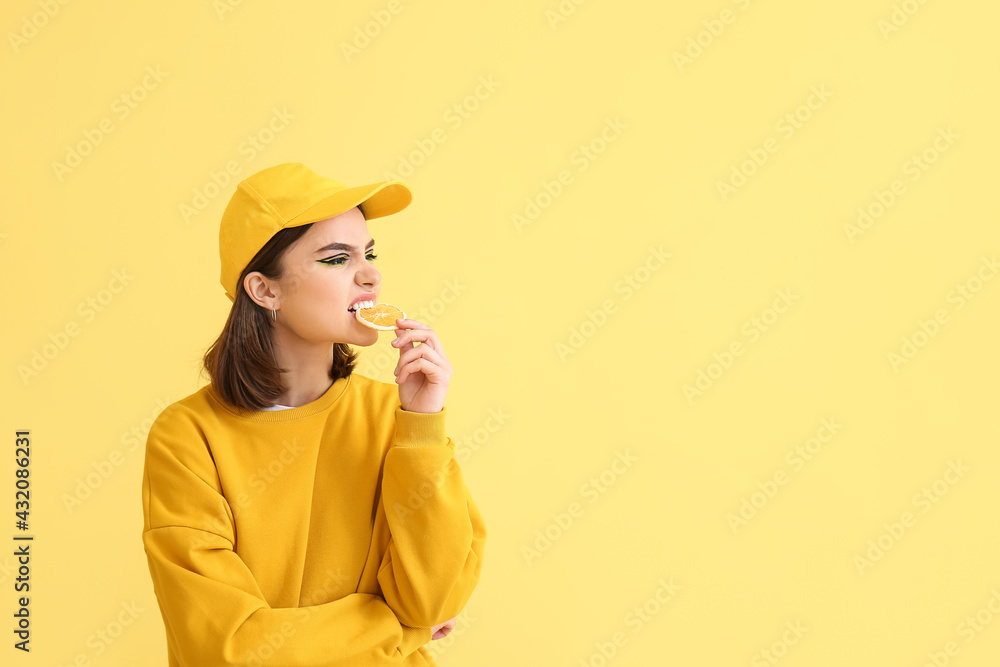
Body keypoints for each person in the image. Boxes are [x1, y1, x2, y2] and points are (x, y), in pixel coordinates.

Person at [139, 162, 486, 666]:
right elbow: (229, 649)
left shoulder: (398, 418)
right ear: (265, 290)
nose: (371, 275)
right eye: (336, 259)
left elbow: (434, 600)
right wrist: (401, 629)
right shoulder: (188, 436)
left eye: (368, 253)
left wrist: (423, 429)